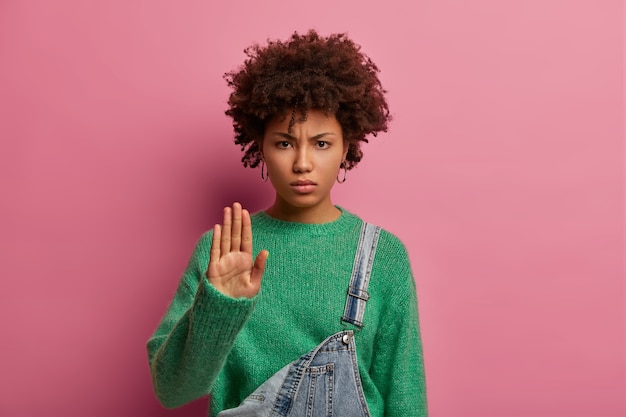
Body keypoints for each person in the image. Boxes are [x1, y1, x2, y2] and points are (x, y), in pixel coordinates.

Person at [147, 30, 428, 416]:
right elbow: (172, 390)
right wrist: (220, 305)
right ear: (259, 146)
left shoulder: (384, 256)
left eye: (322, 143)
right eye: (283, 143)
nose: (302, 162)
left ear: (347, 147)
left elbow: (405, 397)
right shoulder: (221, 253)